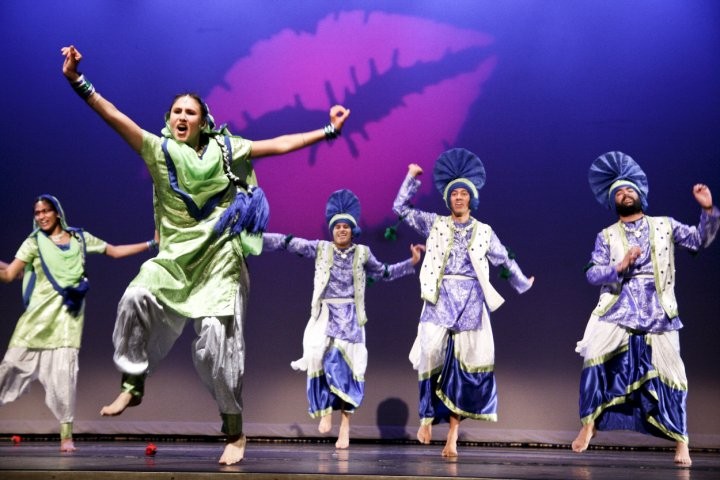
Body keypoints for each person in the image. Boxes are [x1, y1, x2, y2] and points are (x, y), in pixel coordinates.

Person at [61, 45, 350, 465]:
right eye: (175, 111)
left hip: (220, 258)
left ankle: (234, 431)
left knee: (218, 343)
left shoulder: (227, 150)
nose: (181, 117)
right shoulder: (158, 150)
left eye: (190, 112)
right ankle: (133, 381)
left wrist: (327, 130)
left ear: (204, 120)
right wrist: (76, 80)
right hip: (175, 258)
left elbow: (279, 144)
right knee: (135, 298)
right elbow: (113, 116)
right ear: (168, 119)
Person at [572, 151, 719, 467]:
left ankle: (682, 442)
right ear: (614, 201)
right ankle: (589, 425)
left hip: (658, 310)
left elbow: (699, 240)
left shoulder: (664, 225)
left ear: (639, 193)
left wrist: (708, 210)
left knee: (673, 374)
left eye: (629, 189)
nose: (625, 194)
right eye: (619, 193)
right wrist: (619, 264)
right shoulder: (606, 235)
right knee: (594, 357)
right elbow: (591, 273)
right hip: (616, 307)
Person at [392, 148, 535, 457]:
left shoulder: (484, 231)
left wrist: (522, 281)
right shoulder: (435, 223)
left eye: (463, 193)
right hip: (440, 297)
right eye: (453, 193)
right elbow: (400, 208)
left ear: (471, 198)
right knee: (430, 354)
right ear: (448, 198)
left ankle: (453, 434)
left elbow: (503, 260)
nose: (458, 197)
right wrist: (412, 178)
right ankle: (427, 417)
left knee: (462, 367)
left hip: (470, 301)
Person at [263, 189, 424, 449]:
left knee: (347, 370)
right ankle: (326, 410)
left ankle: (345, 427)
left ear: (352, 230)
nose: (341, 230)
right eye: (337, 226)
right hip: (325, 315)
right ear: (332, 230)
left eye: (346, 227)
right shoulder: (321, 249)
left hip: (350, 317)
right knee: (319, 358)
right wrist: (257, 238)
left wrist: (411, 262)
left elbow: (383, 272)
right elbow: (288, 242)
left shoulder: (362, 253)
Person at [0, 194, 155, 452]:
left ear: (57, 212)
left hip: (67, 321)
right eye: (37, 213)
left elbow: (114, 251)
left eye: (46, 211)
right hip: (35, 321)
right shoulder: (33, 243)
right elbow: (9, 275)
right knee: (8, 368)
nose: (41, 217)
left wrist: (151, 243)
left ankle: (66, 437)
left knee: (65, 376)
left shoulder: (80, 239)